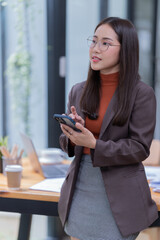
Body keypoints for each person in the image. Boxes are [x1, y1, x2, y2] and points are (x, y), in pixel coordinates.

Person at [58, 17, 158, 240]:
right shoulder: (78, 90)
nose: (96, 48)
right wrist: (73, 135)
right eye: (93, 41)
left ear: (126, 50)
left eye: (105, 43)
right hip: (81, 185)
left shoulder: (142, 94)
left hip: (119, 194)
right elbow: (67, 145)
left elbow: (139, 148)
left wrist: (94, 144)